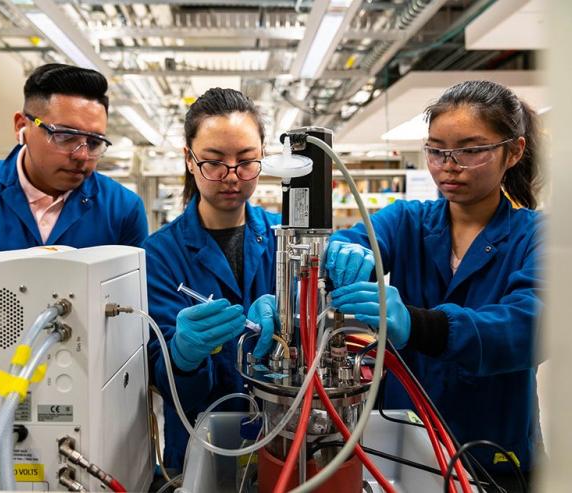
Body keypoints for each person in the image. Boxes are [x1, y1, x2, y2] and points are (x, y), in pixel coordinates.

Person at [325, 80, 543, 489]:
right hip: (407, 453)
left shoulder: (538, 236)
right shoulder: (407, 220)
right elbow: (354, 240)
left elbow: (532, 325)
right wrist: (342, 255)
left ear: (513, 151)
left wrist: (424, 325)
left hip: (496, 458)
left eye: (471, 150)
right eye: (436, 150)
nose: (449, 164)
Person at [144, 88, 280, 473]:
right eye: (214, 162)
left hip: (280, 438)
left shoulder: (282, 241)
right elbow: (169, 390)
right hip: (197, 448)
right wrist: (182, 358)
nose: (231, 177)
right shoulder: (159, 255)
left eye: (246, 161)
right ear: (189, 160)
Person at [0, 63, 148, 255]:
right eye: (64, 136)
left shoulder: (122, 210)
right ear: (21, 126)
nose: (81, 155)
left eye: (94, 142)